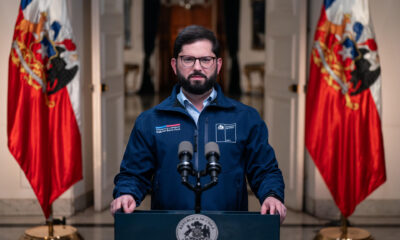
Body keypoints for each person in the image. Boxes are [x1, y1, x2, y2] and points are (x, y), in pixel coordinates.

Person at [110, 25, 287, 223]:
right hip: (169, 228)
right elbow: (133, 174)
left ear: (218, 65)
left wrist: (272, 195)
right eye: (188, 59)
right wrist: (126, 193)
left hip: (228, 229)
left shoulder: (245, 118)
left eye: (205, 59)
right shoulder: (150, 121)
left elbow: (264, 170)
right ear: (175, 64)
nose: (197, 67)